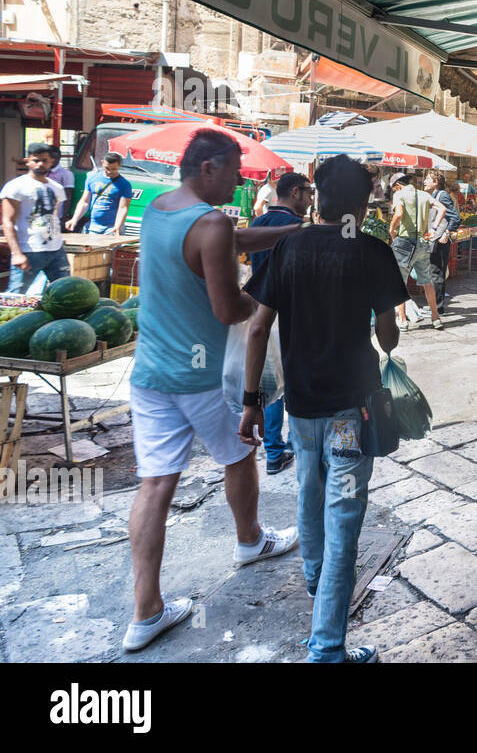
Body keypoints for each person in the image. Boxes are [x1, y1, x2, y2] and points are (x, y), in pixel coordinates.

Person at [123, 129, 299, 652]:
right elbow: (229, 310)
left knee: (155, 485)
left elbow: (230, 240)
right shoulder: (213, 222)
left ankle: (145, 612)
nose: (240, 180)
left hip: (150, 374)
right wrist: (262, 304)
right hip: (202, 376)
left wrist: (292, 234)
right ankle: (250, 540)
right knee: (239, 455)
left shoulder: (159, 209)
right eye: (233, 171)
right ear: (207, 169)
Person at [239, 154, 409, 664]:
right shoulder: (373, 252)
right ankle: (328, 648)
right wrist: (385, 326)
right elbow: (388, 336)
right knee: (344, 524)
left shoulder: (287, 247)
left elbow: (256, 327)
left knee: (307, 495)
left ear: (317, 195)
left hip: (300, 407)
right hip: (351, 413)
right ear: (361, 203)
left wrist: (252, 402)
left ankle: (317, 589)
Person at [247, 171, 313, 475]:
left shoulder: (257, 224)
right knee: (296, 381)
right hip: (295, 315)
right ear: (296, 192)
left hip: (262, 312)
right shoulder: (299, 229)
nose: (311, 200)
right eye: (309, 193)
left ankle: (274, 452)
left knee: (271, 383)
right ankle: (296, 445)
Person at [2, 143, 70, 293]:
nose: (40, 164)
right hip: (28, 250)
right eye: (36, 160)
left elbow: (54, 218)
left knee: (65, 292)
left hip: (56, 250)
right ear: (28, 161)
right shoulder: (16, 186)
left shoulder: (57, 188)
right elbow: (8, 222)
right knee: (16, 295)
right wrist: (16, 253)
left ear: (51, 161)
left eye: (44, 160)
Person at [388, 173, 440, 330]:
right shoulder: (424, 194)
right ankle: (436, 318)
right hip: (422, 243)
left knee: (399, 283)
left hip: (404, 242)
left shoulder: (399, 194)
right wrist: (434, 228)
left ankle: (403, 320)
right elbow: (442, 208)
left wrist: (391, 229)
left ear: (397, 185)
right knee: (427, 281)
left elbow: (399, 214)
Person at [67, 152, 132, 235]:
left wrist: (117, 227)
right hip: (93, 226)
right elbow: (85, 202)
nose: (109, 172)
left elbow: (123, 208)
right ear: (102, 162)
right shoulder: (92, 179)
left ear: (119, 166)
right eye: (107, 168)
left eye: (113, 169)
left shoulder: (125, 184)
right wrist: (74, 219)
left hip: (112, 228)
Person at [424, 173, 458, 318]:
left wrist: (447, 233)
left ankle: (437, 307)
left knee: (436, 272)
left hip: (440, 240)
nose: (424, 181)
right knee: (435, 272)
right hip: (434, 239)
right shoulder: (433, 195)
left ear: (436, 182)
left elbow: (455, 216)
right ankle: (437, 306)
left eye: (428, 179)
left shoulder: (442, 195)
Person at [48, 147, 75, 224]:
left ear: (59, 158)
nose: (53, 160)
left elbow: (68, 196)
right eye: (51, 157)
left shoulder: (66, 174)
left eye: (55, 158)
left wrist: (64, 217)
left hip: (57, 215)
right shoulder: (43, 172)